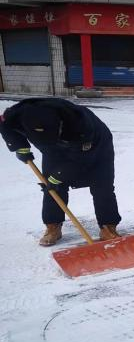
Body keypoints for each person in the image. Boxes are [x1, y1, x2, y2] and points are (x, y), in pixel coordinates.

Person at [0, 97, 121, 246]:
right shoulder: (17, 114)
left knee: (102, 185)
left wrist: (57, 177)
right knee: (52, 189)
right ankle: (53, 226)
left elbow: (81, 160)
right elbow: (5, 125)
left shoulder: (80, 124)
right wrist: (20, 147)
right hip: (53, 151)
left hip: (95, 148)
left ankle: (108, 226)